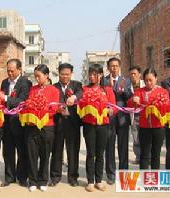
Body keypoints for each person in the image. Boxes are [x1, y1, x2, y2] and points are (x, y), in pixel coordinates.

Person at [19, 64, 60, 192]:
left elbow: (54, 109)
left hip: (47, 126)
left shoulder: (54, 90)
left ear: (46, 76)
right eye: (35, 76)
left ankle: (43, 180)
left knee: (44, 154)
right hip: (32, 126)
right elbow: (28, 104)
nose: (37, 79)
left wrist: (41, 112)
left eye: (39, 76)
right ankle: (32, 180)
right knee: (32, 154)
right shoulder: (32, 90)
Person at [78, 64, 116, 192]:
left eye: (94, 74)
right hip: (89, 125)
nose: (92, 76)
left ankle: (98, 181)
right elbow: (80, 105)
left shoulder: (107, 90)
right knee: (90, 153)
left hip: (103, 125)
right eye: (90, 74)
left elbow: (114, 107)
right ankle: (90, 181)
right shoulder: (84, 89)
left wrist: (110, 110)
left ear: (100, 75)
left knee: (100, 154)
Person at [128, 68, 170, 169]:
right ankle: (144, 179)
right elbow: (130, 104)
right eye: (146, 80)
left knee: (156, 155)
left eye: (151, 80)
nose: (148, 83)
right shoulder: (139, 91)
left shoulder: (163, 92)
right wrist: (133, 100)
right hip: (144, 127)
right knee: (144, 154)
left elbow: (167, 107)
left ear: (156, 79)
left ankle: (154, 179)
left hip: (159, 127)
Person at [50, 63, 82, 187]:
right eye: (62, 74)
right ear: (59, 73)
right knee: (57, 150)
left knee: (73, 151)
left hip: (73, 123)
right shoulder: (54, 87)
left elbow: (81, 93)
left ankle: (73, 177)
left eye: (67, 74)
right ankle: (55, 176)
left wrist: (74, 97)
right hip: (58, 123)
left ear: (71, 74)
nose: (65, 77)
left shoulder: (76, 85)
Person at [0, 59, 31, 187]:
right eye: (8, 70)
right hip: (6, 122)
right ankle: (9, 177)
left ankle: (22, 177)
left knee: (21, 150)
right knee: (7, 151)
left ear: (19, 69)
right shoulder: (4, 83)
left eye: (12, 70)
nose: (10, 73)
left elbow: (22, 101)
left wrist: (6, 98)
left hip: (19, 122)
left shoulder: (26, 83)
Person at [102, 57, 132, 184]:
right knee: (109, 146)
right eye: (111, 66)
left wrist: (123, 91)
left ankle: (124, 173)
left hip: (122, 117)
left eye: (116, 66)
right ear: (108, 67)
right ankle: (110, 174)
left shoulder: (126, 81)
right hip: (108, 116)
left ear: (119, 67)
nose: (114, 68)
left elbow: (130, 97)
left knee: (123, 146)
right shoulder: (103, 81)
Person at [128, 66, 145, 164]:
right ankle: (138, 157)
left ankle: (147, 157)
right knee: (135, 137)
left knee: (145, 136)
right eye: (131, 74)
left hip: (144, 115)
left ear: (139, 74)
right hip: (134, 115)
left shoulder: (144, 84)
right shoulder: (128, 86)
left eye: (135, 73)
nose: (133, 76)